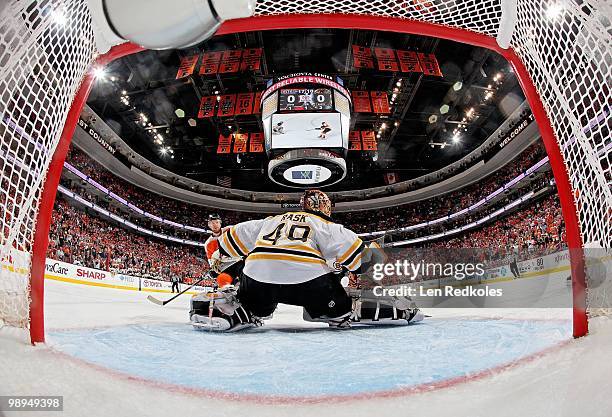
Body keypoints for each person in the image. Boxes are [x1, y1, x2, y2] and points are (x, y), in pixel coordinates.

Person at [190, 190, 423, 331]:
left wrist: (216, 264)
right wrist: (376, 253)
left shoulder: (271, 220)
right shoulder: (326, 225)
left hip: (258, 277)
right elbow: (360, 263)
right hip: (308, 284)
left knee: (254, 307)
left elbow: (227, 243)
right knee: (343, 308)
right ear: (325, 208)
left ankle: (227, 310)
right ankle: (394, 311)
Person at [204, 213, 243, 285]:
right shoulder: (208, 243)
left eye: (217, 222)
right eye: (212, 223)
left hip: (239, 261)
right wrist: (214, 269)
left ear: (220, 223)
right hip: (226, 267)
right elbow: (212, 263)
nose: (215, 225)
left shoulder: (230, 230)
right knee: (223, 281)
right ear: (209, 225)